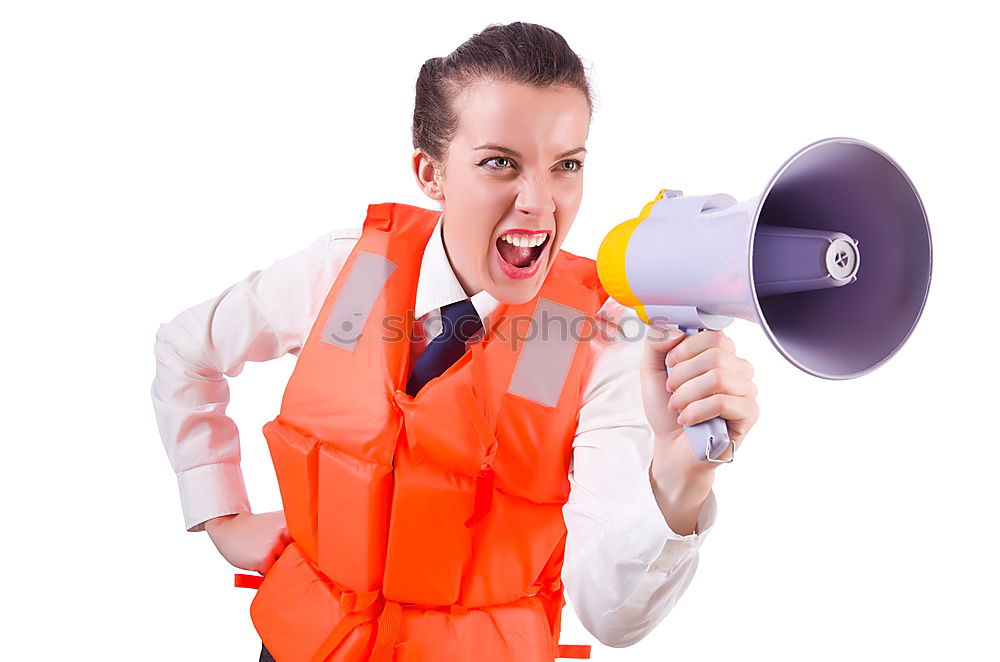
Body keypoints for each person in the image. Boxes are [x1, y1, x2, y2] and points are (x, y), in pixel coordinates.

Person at [151, 21, 760, 662]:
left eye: (566, 166)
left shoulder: (599, 340)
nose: (540, 202)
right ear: (431, 173)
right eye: (501, 162)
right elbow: (185, 350)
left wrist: (679, 475)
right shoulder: (353, 275)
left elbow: (610, 611)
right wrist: (219, 513)